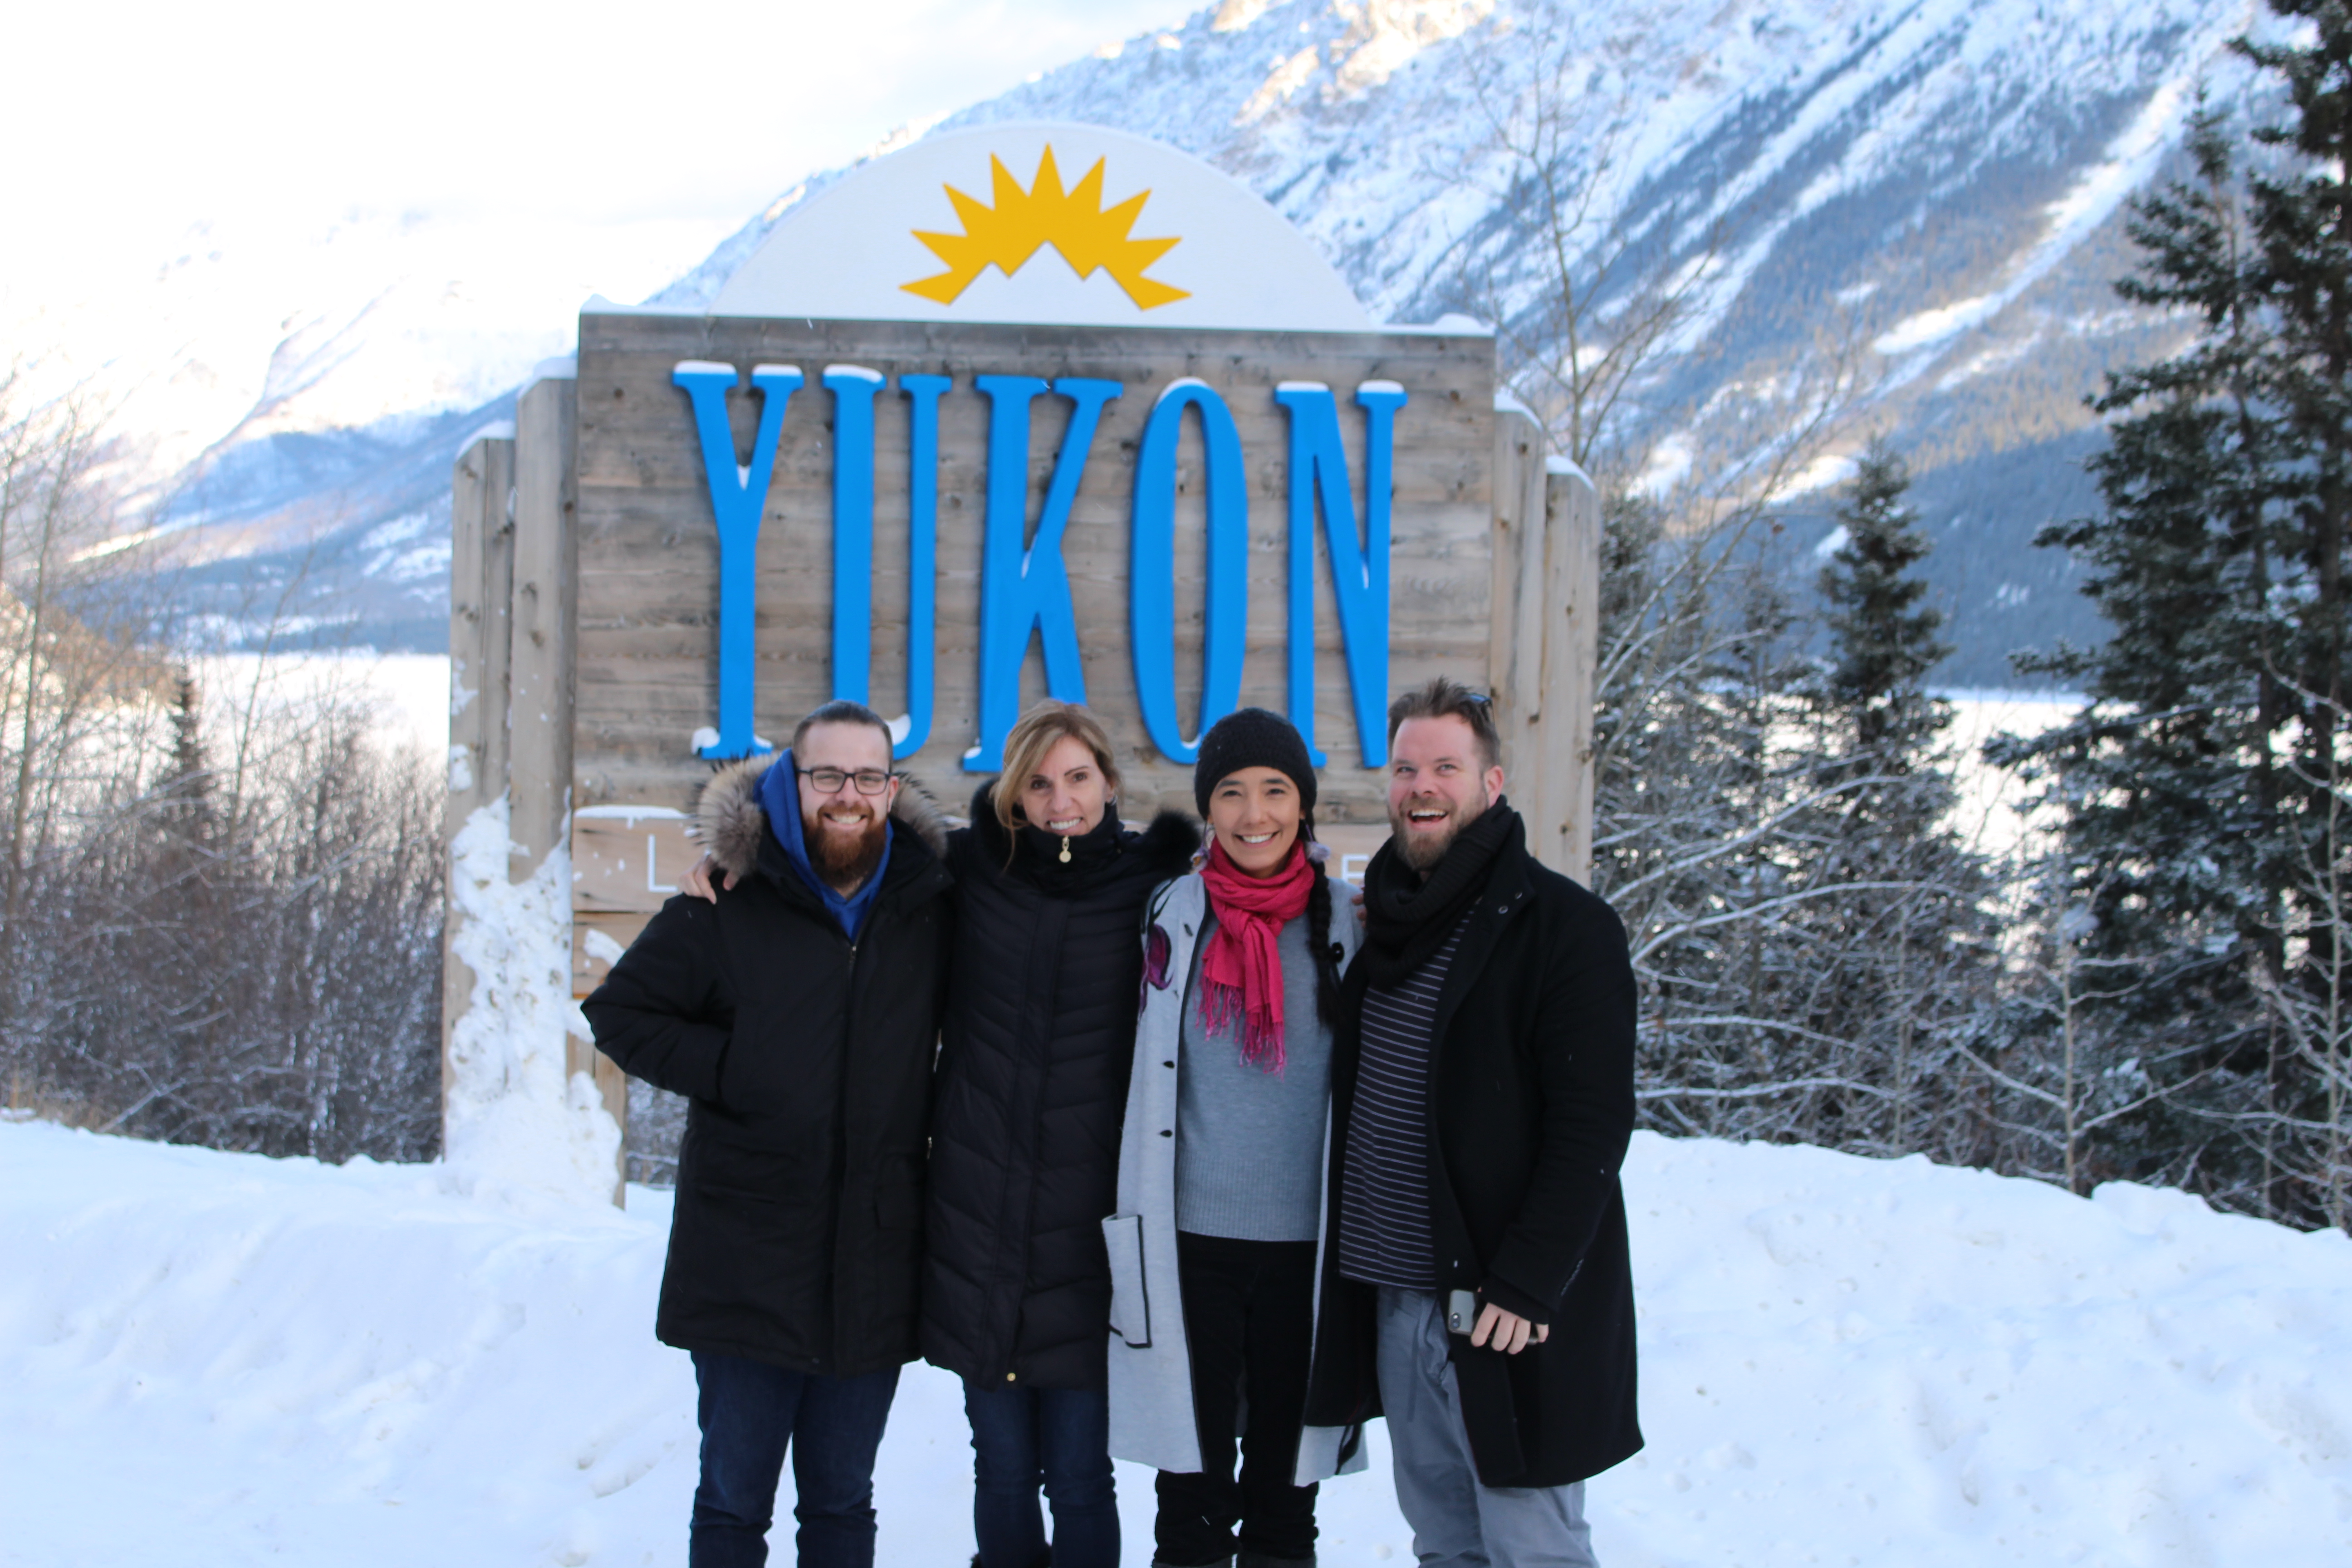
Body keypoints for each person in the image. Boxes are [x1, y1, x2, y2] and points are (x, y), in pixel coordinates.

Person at [582, 700, 953, 1568]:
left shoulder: (930, 901)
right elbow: (621, 1014)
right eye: (828, 776)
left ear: (892, 790)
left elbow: (1049, 879)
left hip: (874, 1259)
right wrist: (737, 1067)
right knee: (732, 1504)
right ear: (794, 781)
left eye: (867, 777)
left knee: (840, 1506)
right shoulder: (731, 897)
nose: (848, 796)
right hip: (746, 1255)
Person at [1303, 678, 1641, 1568]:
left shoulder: (1564, 927)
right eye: (1407, 767)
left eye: (1447, 766)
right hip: (1397, 1296)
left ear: (1492, 784)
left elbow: (1594, 1125)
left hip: (1498, 1307)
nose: (1422, 785)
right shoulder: (1383, 928)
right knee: (1446, 1544)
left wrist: (1529, 1284)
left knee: (1534, 1546)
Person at [921, 701, 1196, 1568]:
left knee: (1079, 1472)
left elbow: (1263, 890)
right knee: (1001, 1467)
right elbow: (843, 862)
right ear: (1011, 793)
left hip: (1090, 1233)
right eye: (1037, 783)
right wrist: (732, 857)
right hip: (978, 1222)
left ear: (1110, 784)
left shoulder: (1156, 887)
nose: (1059, 801)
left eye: (1078, 778)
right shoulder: (966, 871)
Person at [1107, 707, 1366, 1568]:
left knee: (1286, 1501)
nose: (1254, 814)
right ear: (1207, 809)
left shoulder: (1349, 923)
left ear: (1304, 804)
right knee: (1190, 1493)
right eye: (1231, 793)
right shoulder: (1169, 914)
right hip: (1190, 1245)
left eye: (1275, 791)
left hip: (1308, 1248)